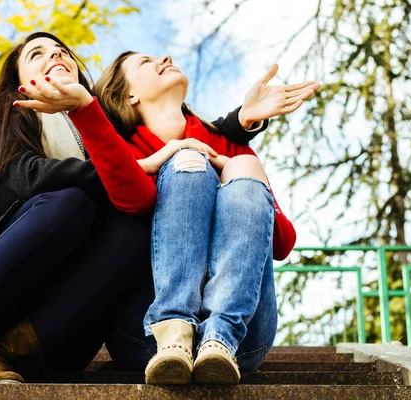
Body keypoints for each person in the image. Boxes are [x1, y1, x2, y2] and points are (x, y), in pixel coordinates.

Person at [0, 32, 264, 385]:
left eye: (62, 51)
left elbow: (165, 126)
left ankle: (8, 353)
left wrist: (239, 124)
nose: (55, 56)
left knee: (136, 227)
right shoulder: (18, 114)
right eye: (37, 54)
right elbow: (24, 176)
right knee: (71, 201)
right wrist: (131, 167)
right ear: (19, 83)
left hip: (54, 315)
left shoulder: (98, 123)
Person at [18, 50, 318, 385]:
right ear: (128, 95)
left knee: (241, 167)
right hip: (144, 335)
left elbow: (281, 243)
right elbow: (132, 198)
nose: (165, 57)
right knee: (188, 162)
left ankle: (219, 333)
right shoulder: (122, 153)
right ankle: (175, 327)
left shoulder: (232, 146)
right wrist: (177, 156)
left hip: (241, 342)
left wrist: (245, 171)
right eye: (146, 63)